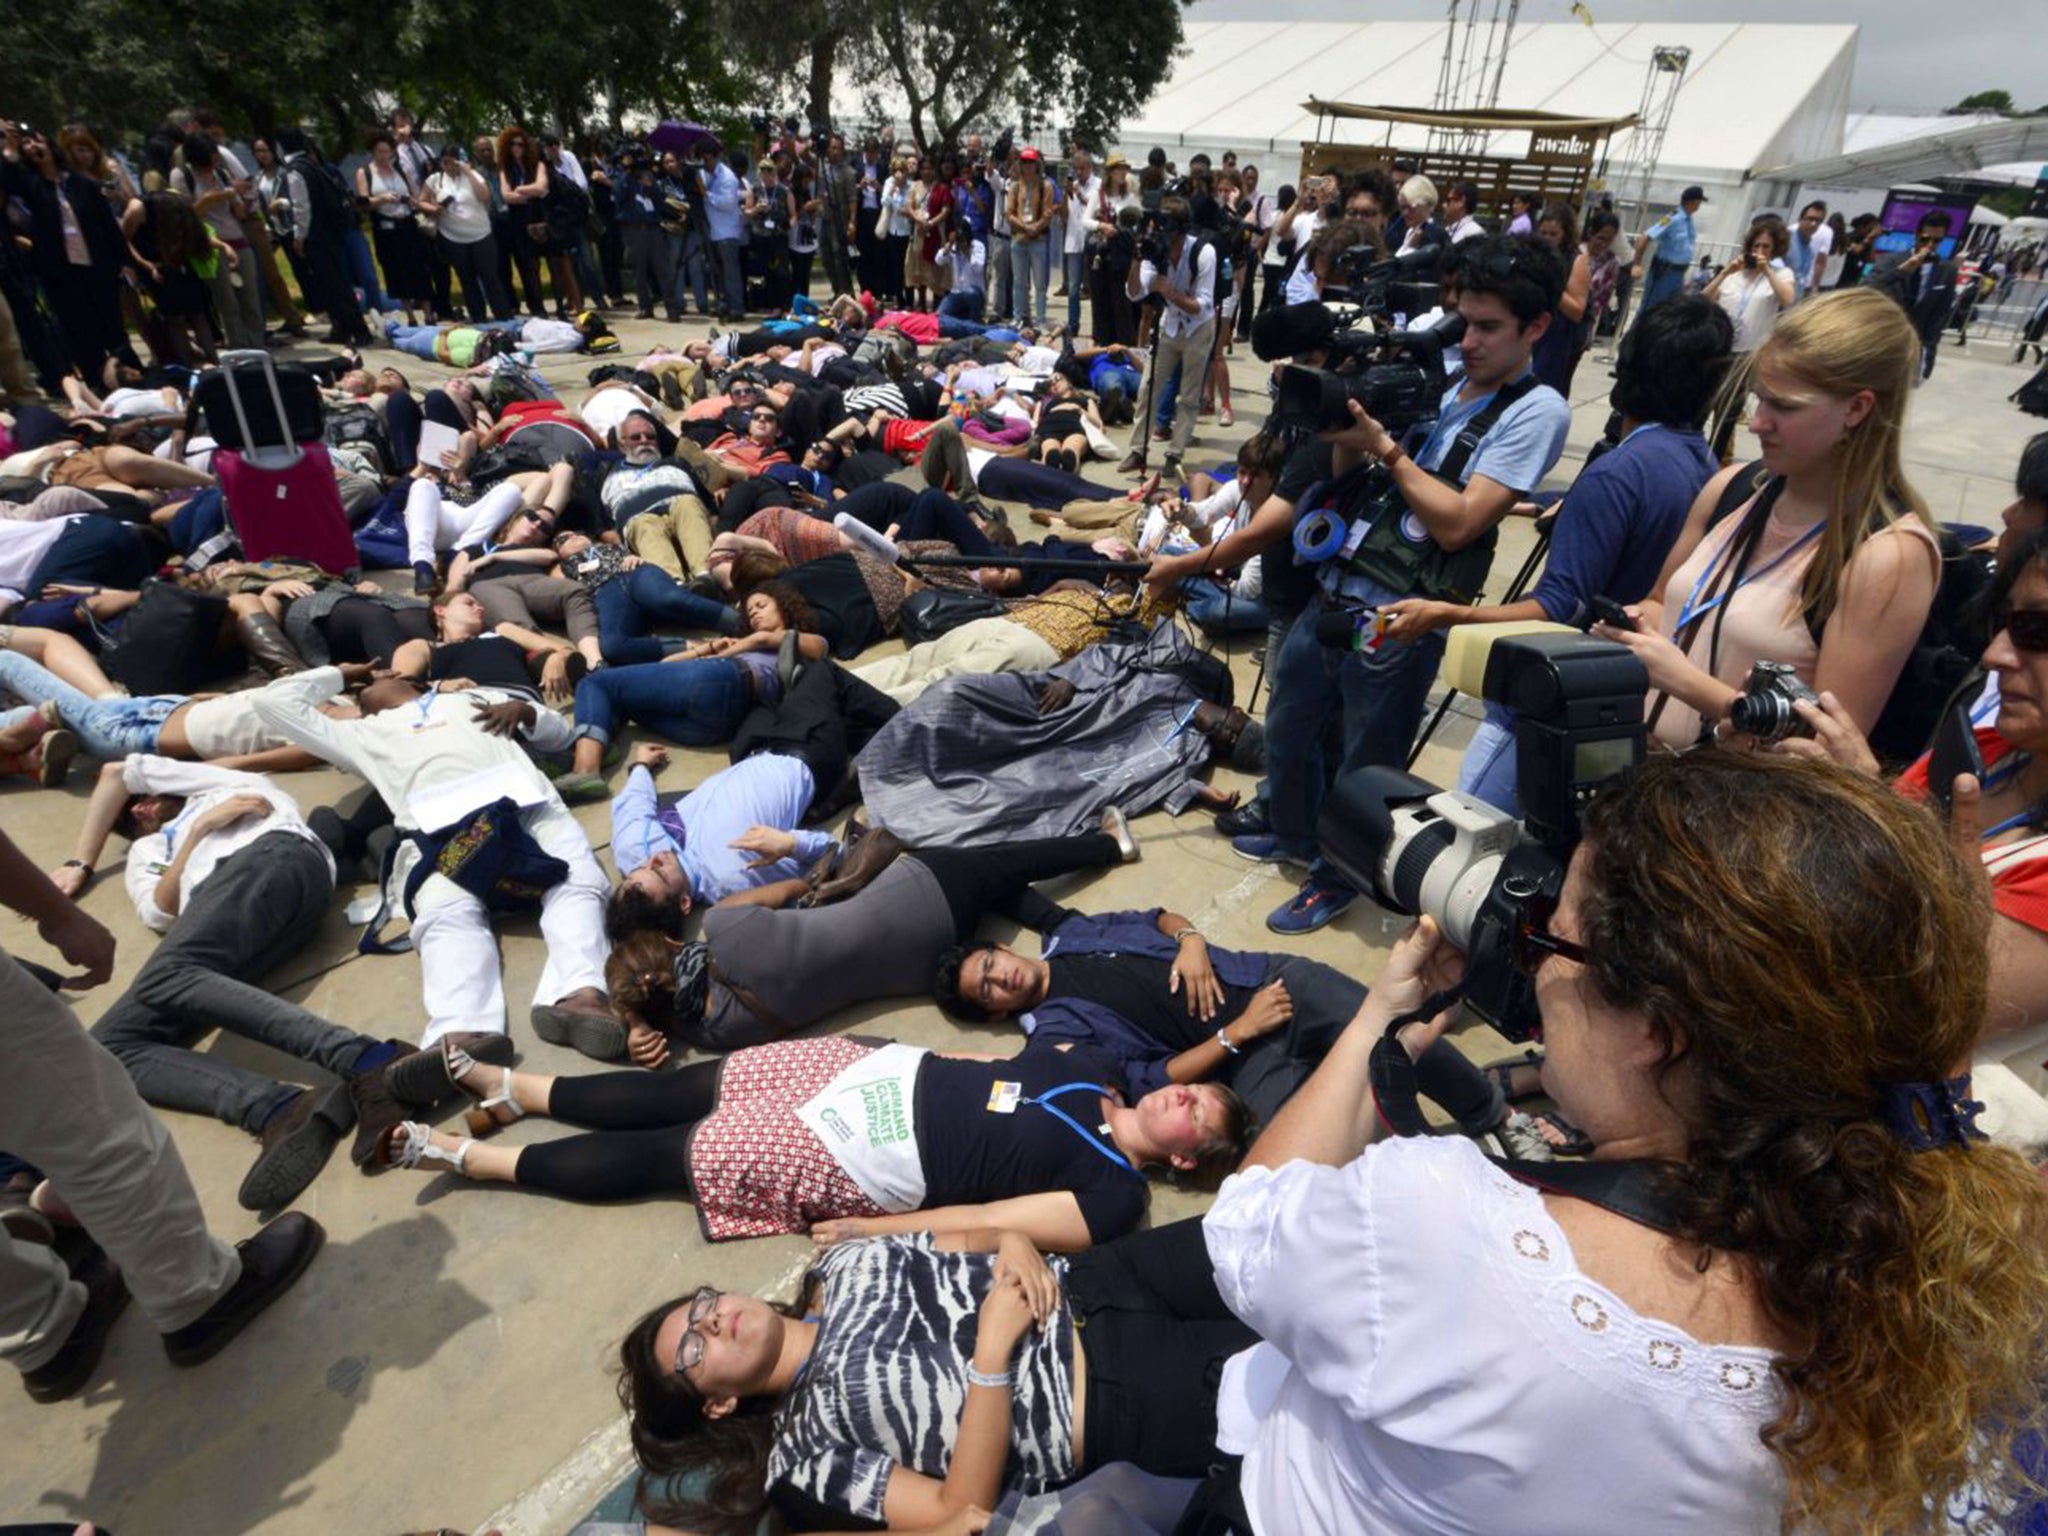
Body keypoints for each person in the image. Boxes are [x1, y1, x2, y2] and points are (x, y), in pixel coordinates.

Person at [1196, 750, 2048, 1535]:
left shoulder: (1440, 1224)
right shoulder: (1936, 1275)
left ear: (1658, 1030)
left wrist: (1379, 1015)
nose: (1535, 969)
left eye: (1552, 937)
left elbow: (1243, 1229)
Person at [1152, 237, 1574, 934]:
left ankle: (1338, 877)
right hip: (1337, 592)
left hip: (1400, 619)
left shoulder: (1537, 411)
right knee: (1288, 733)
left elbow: (1459, 525)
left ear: (1535, 328)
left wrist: (1386, 445)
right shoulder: (1435, 375)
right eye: (1462, 321)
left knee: (1366, 767)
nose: (1468, 340)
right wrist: (1341, 424)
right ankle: (1295, 836)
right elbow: (1344, 478)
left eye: (1488, 327)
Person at [371, 1019, 1247, 1253]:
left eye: (1198, 1118)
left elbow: (999, 1226)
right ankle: (511, 1085)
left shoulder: (1117, 1195)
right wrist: (888, 1051)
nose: (1188, 1101)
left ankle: (470, 1157)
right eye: (1198, 1093)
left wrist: (874, 1231)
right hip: (875, 1071)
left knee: (675, 1155)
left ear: (1182, 1157)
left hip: (878, 1157)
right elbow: (977, 1057)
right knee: (679, 1088)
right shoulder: (1086, 1065)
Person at [619, 1221, 1259, 1531]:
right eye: (693, 1352)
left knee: (1302, 1260)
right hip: (1111, 1393)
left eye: (702, 1307)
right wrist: (990, 1356)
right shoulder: (802, 1459)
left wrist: (1011, 1240)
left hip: (1106, 1277)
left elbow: (975, 1234)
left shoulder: (842, 1262)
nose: (714, 1321)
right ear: (718, 1405)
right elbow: (958, 1512)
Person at [0, 825, 324, 1405]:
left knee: (97, 1068)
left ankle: (40, 1335)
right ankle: (199, 1295)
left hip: (282, 854)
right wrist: (56, 913)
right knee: (91, 1122)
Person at [1387, 295, 1732, 813]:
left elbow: (1560, 606)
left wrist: (1451, 614)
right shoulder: (1705, 467)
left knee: (1472, 846)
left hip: (1546, 708)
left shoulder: (1618, 473)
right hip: (1622, 709)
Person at [1593, 288, 1941, 753]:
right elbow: (1664, 602)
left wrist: (1685, 680)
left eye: (1786, 406)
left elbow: (1829, 745)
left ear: (1857, 409)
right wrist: (1639, 625)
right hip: (1639, 773)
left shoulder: (1889, 555)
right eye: (1760, 400)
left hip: (1735, 809)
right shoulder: (1735, 487)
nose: (1758, 423)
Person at [55, 756, 405, 1211]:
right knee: (106, 1049)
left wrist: (81, 862)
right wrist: (196, 835)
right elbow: (160, 912)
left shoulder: (220, 786)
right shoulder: (149, 852)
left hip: (272, 860)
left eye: (142, 799)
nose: (137, 809)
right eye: (129, 817)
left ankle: (367, 1058)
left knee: (167, 975)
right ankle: (277, 1109)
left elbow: (114, 773)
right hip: (236, 925)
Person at [247, 667, 617, 1058]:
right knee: (445, 915)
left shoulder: (471, 698)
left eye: (373, 681)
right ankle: (463, 1031)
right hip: (442, 835)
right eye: (359, 691)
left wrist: (526, 713)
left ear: (414, 682)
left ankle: (581, 994)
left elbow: (560, 733)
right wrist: (343, 673)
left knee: (579, 882)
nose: (365, 688)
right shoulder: (357, 734)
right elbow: (271, 702)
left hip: (526, 809)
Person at [1113, 197, 1215, 484]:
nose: (1162, 238)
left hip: (1198, 328)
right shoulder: (1155, 251)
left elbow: (1203, 305)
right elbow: (1134, 293)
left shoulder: (1203, 253)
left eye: (1168, 231)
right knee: (1148, 387)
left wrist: (1169, 293)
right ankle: (1138, 450)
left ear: (1181, 231)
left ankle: (1175, 453)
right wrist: (1136, 261)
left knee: (1189, 394)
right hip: (1169, 325)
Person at [1862, 209, 1961, 381]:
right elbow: (1866, 289)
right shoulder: (1890, 261)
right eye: (1925, 238)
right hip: (1881, 341)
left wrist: (1927, 361)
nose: (1929, 245)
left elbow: (1938, 318)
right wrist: (1902, 271)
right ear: (1916, 234)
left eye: (1936, 240)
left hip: (1912, 348)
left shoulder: (1947, 271)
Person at [421, 144, 511, 322]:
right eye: (445, 163)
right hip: (452, 237)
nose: (449, 167)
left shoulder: (473, 176)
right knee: (467, 279)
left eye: (453, 162)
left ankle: (503, 315)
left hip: (480, 234)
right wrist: (435, 208)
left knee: (490, 276)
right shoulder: (435, 179)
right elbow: (421, 201)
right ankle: (478, 316)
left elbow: (485, 197)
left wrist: (468, 172)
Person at [356, 130, 435, 327]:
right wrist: (382, 199)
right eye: (379, 152)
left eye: (387, 151)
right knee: (396, 271)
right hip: (386, 228)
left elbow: (415, 197)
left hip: (407, 223)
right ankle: (409, 315)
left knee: (420, 268)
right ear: (373, 152)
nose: (384, 156)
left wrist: (410, 201)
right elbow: (364, 202)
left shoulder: (401, 170)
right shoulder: (365, 172)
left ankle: (428, 313)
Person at [1630, 184, 1706, 316]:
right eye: (1699, 202)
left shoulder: (1688, 220)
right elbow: (1645, 237)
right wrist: (1636, 264)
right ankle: (1636, 335)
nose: (1699, 205)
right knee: (1650, 309)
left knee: (1668, 311)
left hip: (1678, 273)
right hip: (1664, 273)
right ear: (1693, 201)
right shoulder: (1672, 218)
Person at [695, 141, 747, 319]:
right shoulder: (702, 173)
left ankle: (737, 308)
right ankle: (722, 303)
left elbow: (727, 203)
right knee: (716, 272)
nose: (705, 163)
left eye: (707, 159)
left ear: (715, 157)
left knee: (731, 272)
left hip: (726, 232)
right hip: (711, 230)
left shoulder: (727, 176)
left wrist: (706, 194)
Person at [1788, 199, 1832, 297]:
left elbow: (1820, 262)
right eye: (1810, 219)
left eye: (1818, 221)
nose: (1813, 224)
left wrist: (1814, 288)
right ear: (1800, 219)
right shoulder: (1787, 240)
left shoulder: (1809, 250)